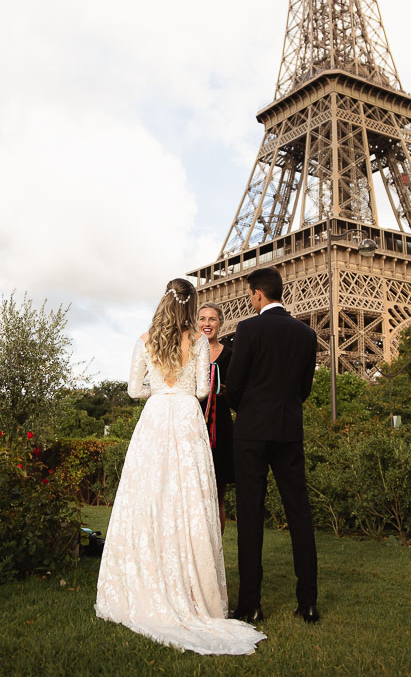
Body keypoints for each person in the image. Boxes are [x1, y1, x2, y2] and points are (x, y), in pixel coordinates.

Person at [95, 278, 266, 656]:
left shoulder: (145, 340)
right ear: (192, 307)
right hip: (188, 418)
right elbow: (205, 390)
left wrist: (160, 390)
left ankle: (148, 574)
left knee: (149, 496)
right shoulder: (200, 341)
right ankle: (193, 587)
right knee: (190, 498)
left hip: (156, 416)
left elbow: (133, 390)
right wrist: (182, 390)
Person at [227, 266, 319, 624]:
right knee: (300, 514)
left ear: (257, 294)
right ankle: (308, 601)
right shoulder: (306, 334)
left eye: (250, 294)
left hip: (251, 432)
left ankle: (251, 604)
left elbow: (233, 384)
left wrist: (246, 411)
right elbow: (305, 388)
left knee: (250, 516)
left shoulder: (248, 329)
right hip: (289, 430)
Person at [197, 302, 233, 534]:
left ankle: (216, 551)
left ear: (220, 323)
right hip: (193, 421)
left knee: (217, 491)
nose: (207, 324)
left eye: (212, 319)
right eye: (202, 319)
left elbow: (238, 389)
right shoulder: (188, 353)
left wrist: (222, 389)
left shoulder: (231, 354)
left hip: (219, 424)